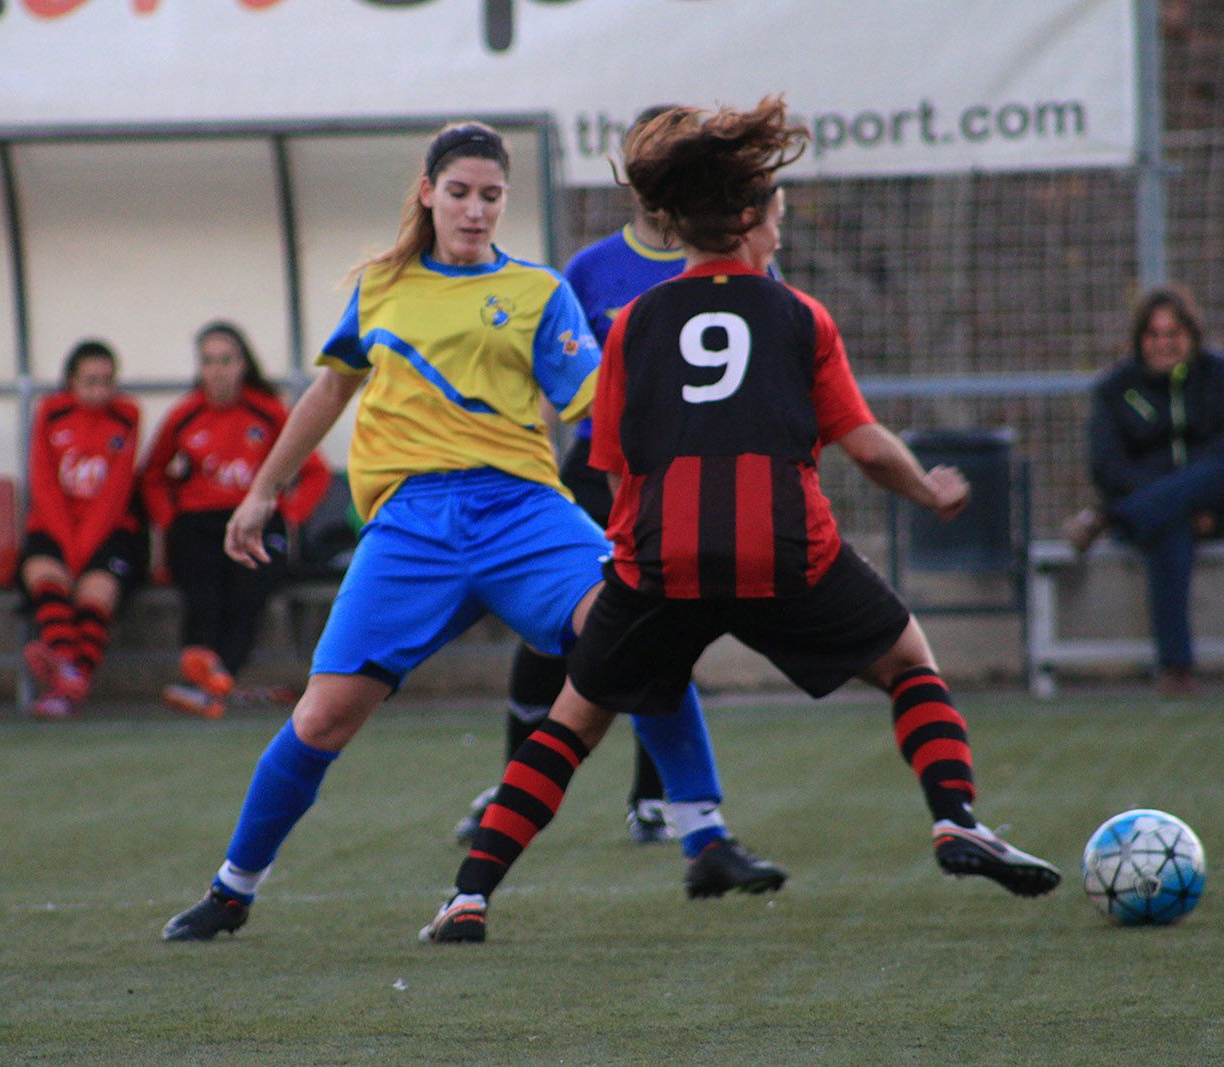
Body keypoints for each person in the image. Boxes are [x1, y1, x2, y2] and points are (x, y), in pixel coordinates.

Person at [422, 100, 1060, 944]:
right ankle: (955, 817)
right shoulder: (799, 315)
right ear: (750, 223)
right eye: (779, 216)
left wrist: (635, 555)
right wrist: (928, 490)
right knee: (910, 662)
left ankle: (469, 897)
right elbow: (866, 446)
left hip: (662, 558)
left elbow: (610, 463)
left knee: (572, 722)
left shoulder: (635, 324)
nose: (781, 231)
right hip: (784, 551)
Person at [162, 121, 784, 943]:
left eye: (491, 195)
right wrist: (262, 491)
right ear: (428, 193)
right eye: (459, 192)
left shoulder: (537, 292)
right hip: (411, 526)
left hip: (523, 511)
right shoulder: (382, 287)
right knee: (321, 719)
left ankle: (705, 838)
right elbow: (330, 390)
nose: (475, 209)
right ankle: (232, 889)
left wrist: (680, 472)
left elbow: (600, 409)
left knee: (640, 632)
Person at [456, 105, 789, 848]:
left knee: (663, 628)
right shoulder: (590, 269)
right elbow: (554, 376)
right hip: (595, 471)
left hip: (680, 476)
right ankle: (514, 785)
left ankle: (655, 799)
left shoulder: (735, 258)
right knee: (551, 628)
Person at [1061, 286, 1224, 697]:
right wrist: (1176, 500)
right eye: (1154, 335)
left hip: (1215, 509)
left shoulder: (1216, 373)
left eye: (1173, 334)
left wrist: (1194, 492)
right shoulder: (1116, 388)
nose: (1164, 344)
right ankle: (1177, 670)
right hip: (1157, 518)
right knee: (1169, 526)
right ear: (1140, 339)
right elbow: (1109, 468)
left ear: (1191, 335)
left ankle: (1108, 518)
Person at [139, 321, 331, 718]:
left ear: (243, 364)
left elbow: (315, 471)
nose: (218, 371)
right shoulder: (185, 415)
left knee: (249, 588)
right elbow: (153, 474)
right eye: (209, 361)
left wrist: (290, 515)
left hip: (255, 517)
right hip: (199, 522)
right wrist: (169, 521)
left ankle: (215, 680)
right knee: (202, 588)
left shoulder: (268, 411)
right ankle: (205, 678)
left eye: (227, 360)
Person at [20, 340, 147, 721]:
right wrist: (68, 547)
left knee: (97, 590)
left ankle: (68, 681)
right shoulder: (51, 413)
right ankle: (70, 672)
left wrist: (81, 553)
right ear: (71, 382)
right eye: (90, 382)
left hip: (110, 530)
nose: (99, 391)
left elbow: (115, 494)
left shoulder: (127, 416)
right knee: (43, 573)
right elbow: (44, 485)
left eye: (107, 382)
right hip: (55, 526)